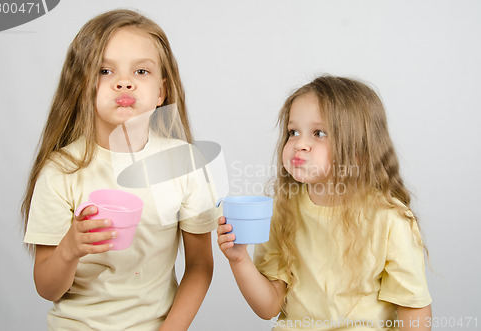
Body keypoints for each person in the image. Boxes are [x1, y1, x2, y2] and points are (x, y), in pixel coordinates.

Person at [21, 9, 219, 330]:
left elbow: (199, 266)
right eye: (105, 70)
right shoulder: (60, 171)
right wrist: (70, 248)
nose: (124, 82)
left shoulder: (185, 164)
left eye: (141, 71)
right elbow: (46, 287)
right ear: (83, 86)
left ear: (161, 92)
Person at [218, 75, 432, 330]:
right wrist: (239, 259)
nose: (300, 144)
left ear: (359, 152)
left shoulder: (390, 218)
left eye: (318, 133)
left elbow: (414, 309)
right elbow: (269, 307)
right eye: (293, 132)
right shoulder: (283, 210)